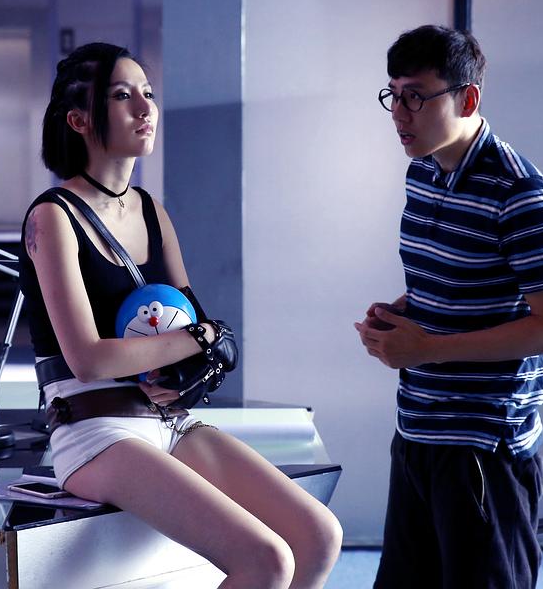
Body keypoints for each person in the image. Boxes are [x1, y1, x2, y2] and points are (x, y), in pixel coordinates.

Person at [20, 42, 342, 589]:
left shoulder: (152, 211)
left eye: (148, 93)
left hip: (169, 420)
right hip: (95, 431)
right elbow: (89, 359)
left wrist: (201, 347)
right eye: (122, 96)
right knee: (267, 559)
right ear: (79, 120)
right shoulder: (52, 217)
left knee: (319, 535)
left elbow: (211, 336)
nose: (144, 108)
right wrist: (202, 337)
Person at [354, 25, 543, 589]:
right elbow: (453, 282)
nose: (399, 113)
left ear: (468, 98)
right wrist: (401, 313)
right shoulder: (424, 171)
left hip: (484, 446)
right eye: (393, 95)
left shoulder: (521, 193)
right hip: (417, 431)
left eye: (416, 96)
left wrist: (427, 348)